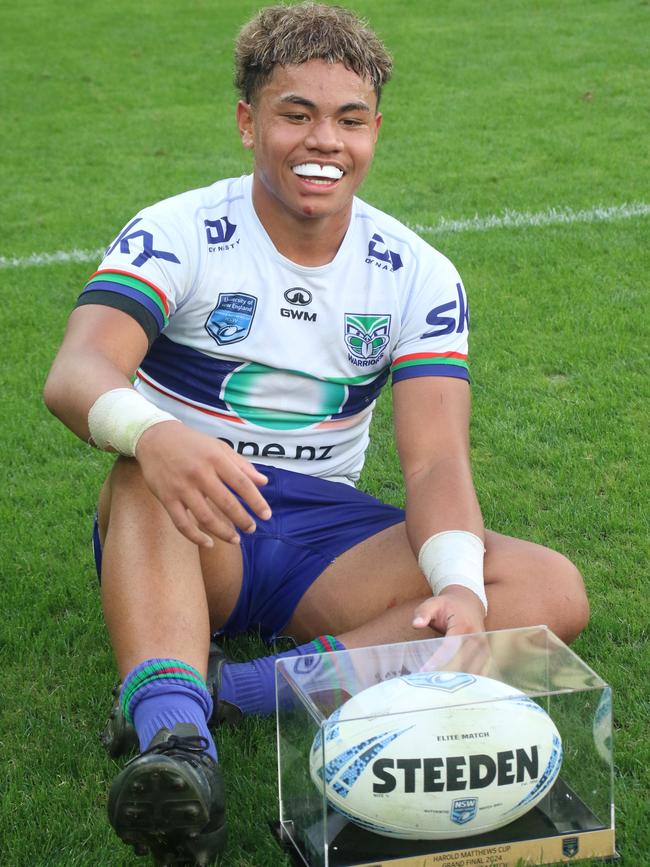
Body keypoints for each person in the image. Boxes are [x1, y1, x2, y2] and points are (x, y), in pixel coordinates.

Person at [43, 2, 589, 864]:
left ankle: (239, 691)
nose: (323, 141)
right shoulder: (181, 230)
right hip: (191, 520)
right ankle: (179, 749)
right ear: (248, 121)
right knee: (135, 472)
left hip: (322, 534)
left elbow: (436, 457)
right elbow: (76, 373)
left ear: (376, 130)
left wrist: (463, 591)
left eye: (349, 119)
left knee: (545, 589)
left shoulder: (415, 271)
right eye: (296, 114)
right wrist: (155, 436)